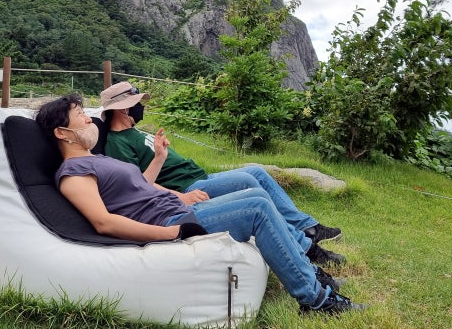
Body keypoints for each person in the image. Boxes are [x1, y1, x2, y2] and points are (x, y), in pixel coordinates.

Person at [36, 94, 367, 315]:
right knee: (257, 208)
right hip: (171, 222)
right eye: (81, 116)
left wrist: (164, 167)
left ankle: (309, 272)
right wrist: (172, 233)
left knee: (257, 194)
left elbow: (139, 187)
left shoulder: (96, 159)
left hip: (176, 208)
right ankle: (317, 300)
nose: (90, 121)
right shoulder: (73, 172)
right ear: (63, 133)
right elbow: (103, 222)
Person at [100, 81, 345, 268]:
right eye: (137, 103)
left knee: (257, 172)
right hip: (186, 186)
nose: (141, 106)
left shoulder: (134, 131)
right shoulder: (117, 143)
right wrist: (179, 196)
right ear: (123, 109)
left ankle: (307, 227)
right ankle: (304, 246)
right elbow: (137, 186)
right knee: (248, 181)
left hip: (198, 175)